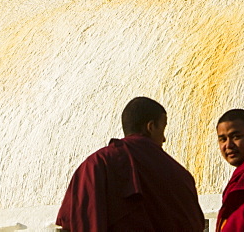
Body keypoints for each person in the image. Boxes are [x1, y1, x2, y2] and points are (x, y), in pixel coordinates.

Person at [56, 96, 205, 231]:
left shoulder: (97, 164)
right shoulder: (179, 174)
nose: (164, 139)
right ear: (151, 127)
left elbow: (78, 222)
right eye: (163, 129)